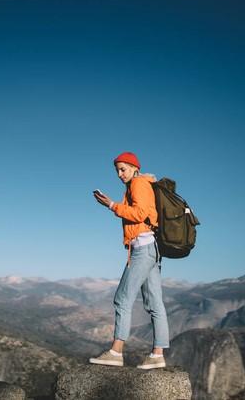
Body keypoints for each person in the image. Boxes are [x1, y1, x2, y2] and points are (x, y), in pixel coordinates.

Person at [89, 151, 169, 370]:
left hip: (143, 249)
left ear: (135, 168)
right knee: (155, 304)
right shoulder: (142, 184)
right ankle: (157, 355)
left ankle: (116, 352)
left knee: (122, 299)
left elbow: (141, 213)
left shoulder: (138, 184)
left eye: (123, 169)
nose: (119, 174)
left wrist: (112, 205)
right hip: (152, 249)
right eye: (117, 170)